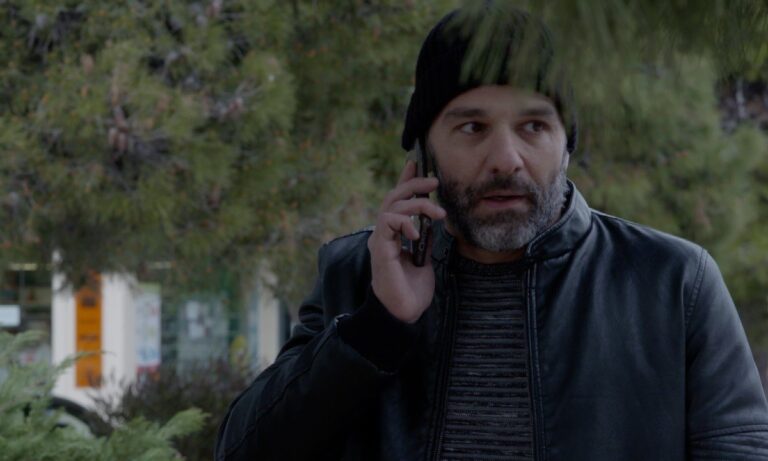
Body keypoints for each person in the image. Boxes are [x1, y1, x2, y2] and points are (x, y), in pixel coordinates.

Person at [215, 4, 768, 460]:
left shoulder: (673, 282)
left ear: (566, 145)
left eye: (533, 126)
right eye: (472, 127)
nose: (506, 158)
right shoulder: (356, 275)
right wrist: (377, 327)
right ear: (424, 150)